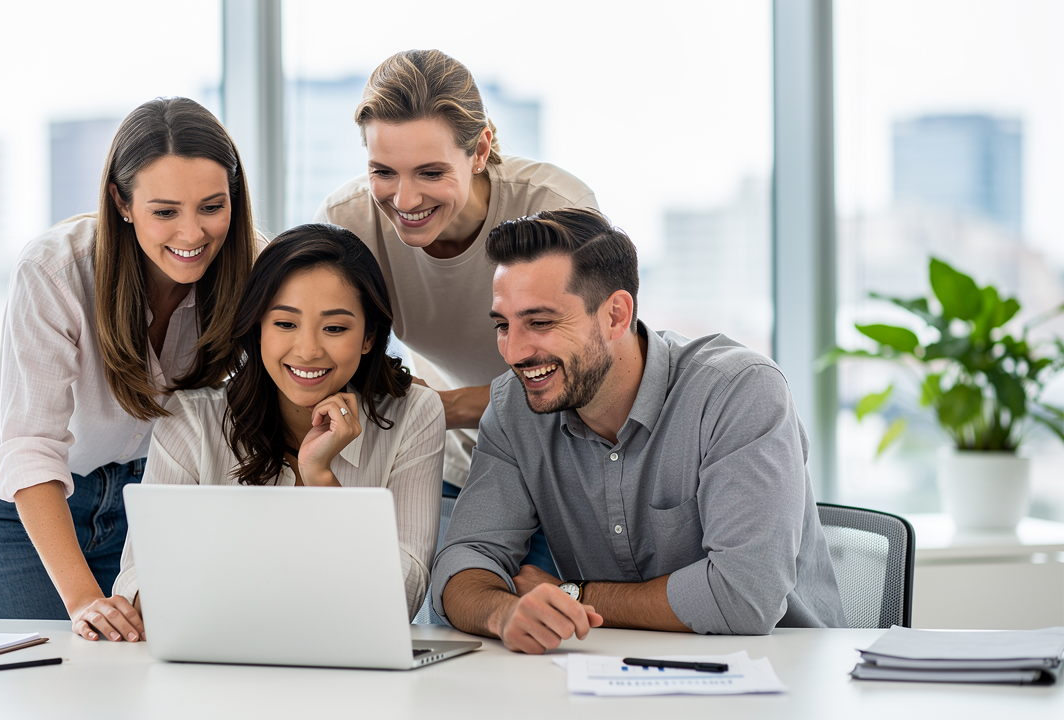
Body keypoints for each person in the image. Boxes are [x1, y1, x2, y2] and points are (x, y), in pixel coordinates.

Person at [433, 208, 846, 653]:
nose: (513, 351)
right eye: (502, 325)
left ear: (615, 315)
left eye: (540, 322)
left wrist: (574, 594)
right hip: (611, 674)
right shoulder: (514, 409)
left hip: (784, 673)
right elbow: (461, 563)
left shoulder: (737, 392)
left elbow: (744, 599)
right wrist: (502, 612)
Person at [0, 97, 255, 643]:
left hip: (145, 491)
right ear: (122, 202)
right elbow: (31, 446)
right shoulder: (56, 269)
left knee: (145, 681)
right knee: (46, 683)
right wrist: (84, 599)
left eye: (212, 207)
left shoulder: (253, 265)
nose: (192, 234)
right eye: (165, 212)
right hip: (21, 500)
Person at [315, 49, 597, 585]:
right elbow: (325, 362)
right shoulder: (347, 222)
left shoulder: (557, 209)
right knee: (455, 614)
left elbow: (584, 372)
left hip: (559, 459)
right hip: (455, 466)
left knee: (561, 632)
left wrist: (431, 407)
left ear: (481, 149)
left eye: (430, 172)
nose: (405, 198)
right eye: (383, 171)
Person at [112, 224, 445, 618]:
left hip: (346, 667)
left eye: (335, 328)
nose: (307, 351)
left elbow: (399, 596)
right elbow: (139, 583)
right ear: (257, 326)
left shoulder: (415, 414)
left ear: (369, 336)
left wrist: (320, 476)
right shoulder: (192, 419)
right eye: (285, 323)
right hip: (216, 665)